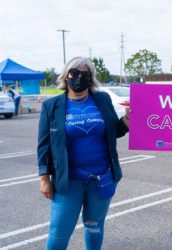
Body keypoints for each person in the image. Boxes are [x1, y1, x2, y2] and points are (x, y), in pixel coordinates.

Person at [37, 57, 130, 250]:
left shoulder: (102, 100)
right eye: (75, 73)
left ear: (91, 78)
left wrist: (126, 122)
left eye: (85, 74)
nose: (79, 77)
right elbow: (44, 145)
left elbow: (114, 130)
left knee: (94, 227)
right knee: (59, 231)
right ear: (66, 76)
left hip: (102, 179)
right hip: (68, 182)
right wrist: (44, 178)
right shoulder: (52, 107)